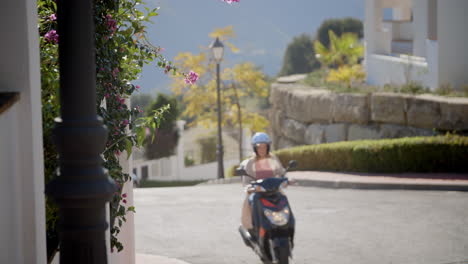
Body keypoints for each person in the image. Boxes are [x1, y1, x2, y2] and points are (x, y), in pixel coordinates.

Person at [240, 132, 285, 231]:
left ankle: (286, 222)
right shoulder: (250, 162)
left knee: (282, 198)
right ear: (255, 148)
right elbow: (246, 181)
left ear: (268, 147)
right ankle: (252, 226)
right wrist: (250, 187)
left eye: (264, 147)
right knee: (252, 200)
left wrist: (285, 179)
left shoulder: (273, 159)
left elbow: (281, 172)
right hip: (257, 191)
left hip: (273, 190)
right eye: (259, 147)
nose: (262, 149)